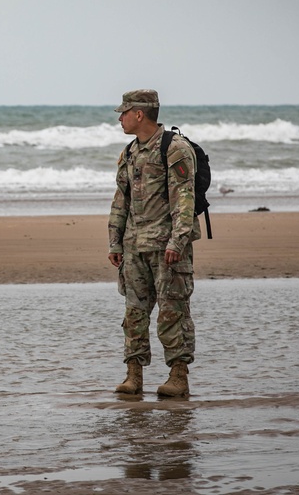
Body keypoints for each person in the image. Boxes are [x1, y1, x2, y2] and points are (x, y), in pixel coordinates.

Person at [107, 89, 201, 397]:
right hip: (135, 247)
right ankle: (134, 376)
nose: (119, 117)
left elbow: (184, 199)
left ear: (139, 114)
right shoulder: (130, 151)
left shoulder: (174, 149)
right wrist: (115, 242)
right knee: (133, 314)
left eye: (124, 112)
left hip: (167, 247)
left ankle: (178, 376)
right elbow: (121, 199)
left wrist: (178, 240)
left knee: (172, 312)